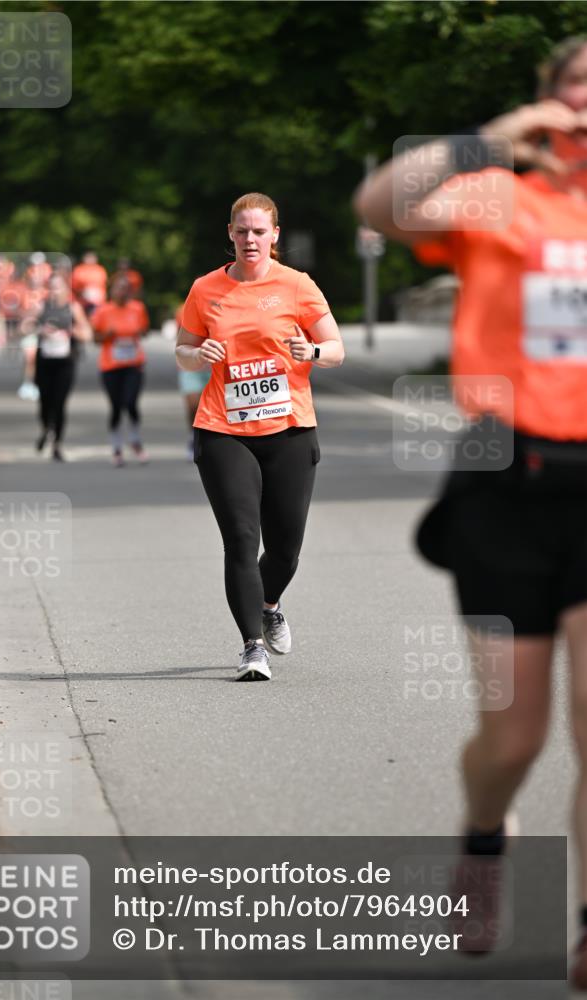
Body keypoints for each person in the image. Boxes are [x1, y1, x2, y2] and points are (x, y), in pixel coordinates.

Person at [355, 35, 587, 988]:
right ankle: (485, 835)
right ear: (549, 99)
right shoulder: (499, 195)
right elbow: (378, 207)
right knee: (513, 735)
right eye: (577, 85)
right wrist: (487, 139)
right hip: (505, 481)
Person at [176, 192, 344, 681]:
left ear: (275, 235)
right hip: (224, 429)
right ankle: (252, 647)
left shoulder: (297, 286)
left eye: (259, 231)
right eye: (242, 231)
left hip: (290, 428)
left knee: (286, 547)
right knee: (241, 540)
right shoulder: (206, 289)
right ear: (230, 234)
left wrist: (311, 350)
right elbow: (182, 350)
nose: (250, 239)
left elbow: (336, 348)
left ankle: (269, 603)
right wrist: (198, 353)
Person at [90, 275, 151, 466]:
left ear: (130, 291)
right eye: (118, 288)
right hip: (110, 366)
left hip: (133, 364)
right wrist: (106, 335)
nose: (121, 292)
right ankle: (116, 447)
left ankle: (134, 440)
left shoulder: (137, 308)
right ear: (111, 290)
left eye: (125, 288)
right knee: (116, 405)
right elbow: (95, 339)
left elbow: (145, 330)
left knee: (131, 402)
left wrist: (138, 333)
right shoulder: (103, 311)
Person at [34, 273, 91, 461]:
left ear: (66, 289)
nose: (53, 291)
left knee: (59, 403)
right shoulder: (41, 307)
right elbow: (23, 327)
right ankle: (46, 428)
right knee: (44, 402)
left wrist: (69, 331)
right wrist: (40, 330)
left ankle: (57, 444)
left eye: (57, 287)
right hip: (44, 361)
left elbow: (87, 334)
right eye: (50, 287)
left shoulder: (73, 308)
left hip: (65, 363)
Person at [175, 305, 210, 460]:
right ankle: (193, 436)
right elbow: (181, 339)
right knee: (193, 405)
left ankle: (211, 441)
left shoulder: (231, 302)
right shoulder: (183, 309)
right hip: (192, 366)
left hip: (216, 366)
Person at [71, 251, 108, 317]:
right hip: (82, 301)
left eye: (92, 258)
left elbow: (103, 285)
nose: (90, 260)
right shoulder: (79, 270)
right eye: (88, 258)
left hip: (98, 302)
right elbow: (75, 286)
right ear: (84, 259)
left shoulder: (100, 270)